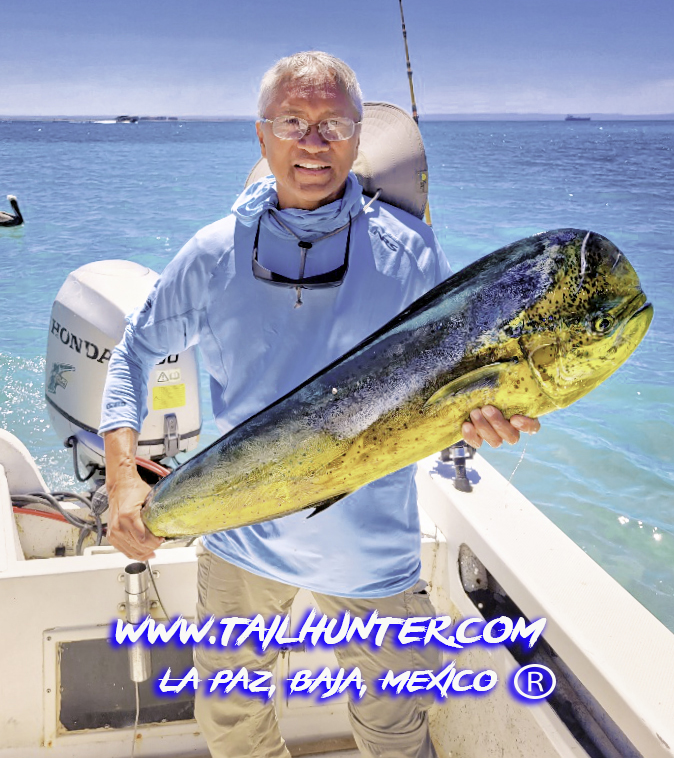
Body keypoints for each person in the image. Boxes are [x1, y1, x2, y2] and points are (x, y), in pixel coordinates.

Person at [100, 51, 540, 758]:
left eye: (333, 124)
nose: (313, 142)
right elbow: (132, 354)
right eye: (292, 122)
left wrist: (479, 420)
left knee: (397, 737)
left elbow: (449, 386)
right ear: (261, 135)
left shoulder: (411, 254)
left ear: (357, 137)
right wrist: (123, 478)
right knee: (233, 728)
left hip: (373, 558)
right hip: (241, 542)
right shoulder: (213, 253)